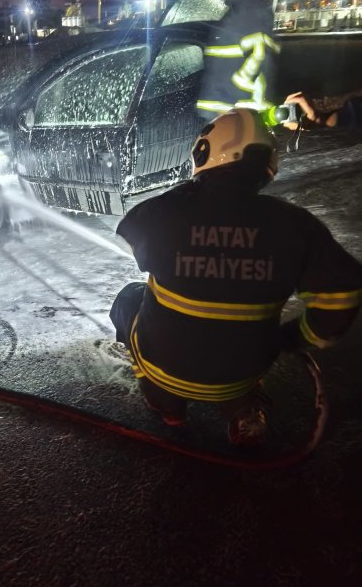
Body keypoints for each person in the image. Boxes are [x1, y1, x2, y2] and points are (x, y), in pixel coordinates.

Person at [110, 108, 362, 447]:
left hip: (164, 369)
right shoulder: (295, 225)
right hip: (242, 374)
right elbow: (343, 293)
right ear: (269, 166)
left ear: (203, 152)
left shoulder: (168, 211)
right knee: (235, 370)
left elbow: (130, 238)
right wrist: (294, 337)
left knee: (129, 298)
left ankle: (167, 407)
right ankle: (246, 413)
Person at [196, 0, 281, 121]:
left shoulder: (250, 13)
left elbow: (258, 57)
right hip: (230, 119)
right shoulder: (238, 13)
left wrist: (229, 106)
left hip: (238, 121)